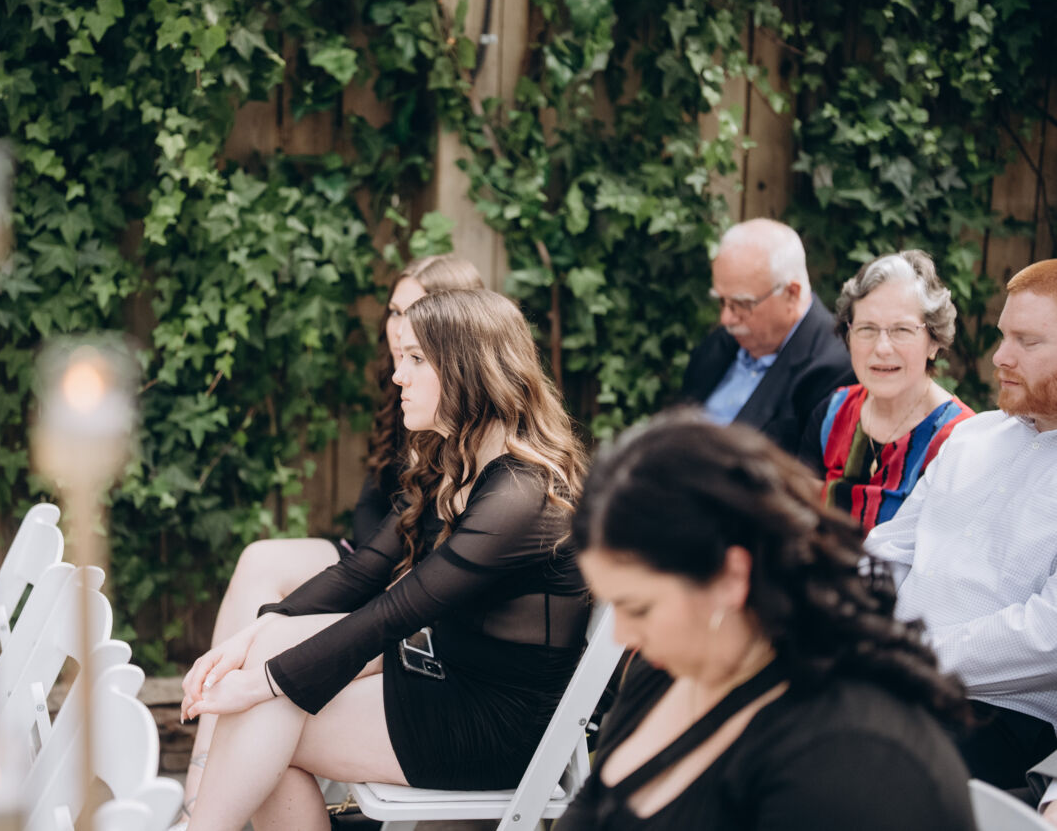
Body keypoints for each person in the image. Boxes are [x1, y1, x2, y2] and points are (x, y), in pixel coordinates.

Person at [178, 289, 590, 831]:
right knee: (267, 701)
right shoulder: (461, 462)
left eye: (417, 359)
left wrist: (263, 681)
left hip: (494, 722)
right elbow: (363, 571)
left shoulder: (520, 494)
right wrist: (252, 639)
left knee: (265, 714)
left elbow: (396, 612)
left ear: (468, 369)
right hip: (442, 676)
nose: (398, 376)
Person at [556, 412, 974, 831]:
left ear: (731, 576)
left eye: (640, 608)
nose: (623, 635)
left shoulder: (851, 760)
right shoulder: (666, 671)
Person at [175, 254, 483, 821]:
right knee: (262, 585)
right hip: (389, 567)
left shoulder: (504, 484)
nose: (399, 330)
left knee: (267, 691)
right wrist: (260, 634)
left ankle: (203, 808)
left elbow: (410, 596)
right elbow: (374, 514)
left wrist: (263, 665)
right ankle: (200, 791)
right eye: (394, 312)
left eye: (414, 315)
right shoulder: (418, 410)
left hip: (431, 635)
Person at [866, 257, 1057, 792]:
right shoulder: (973, 437)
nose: (1001, 357)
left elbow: (1046, 637)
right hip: (884, 675)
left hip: (995, 713)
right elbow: (888, 552)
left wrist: (910, 656)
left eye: (1027, 342)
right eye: (1003, 336)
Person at [799, 250, 973, 531]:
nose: (881, 348)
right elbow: (799, 519)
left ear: (933, 341)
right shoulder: (833, 413)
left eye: (902, 330)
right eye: (867, 328)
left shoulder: (958, 440)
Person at [680, 218, 853, 454]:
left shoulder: (836, 368)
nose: (726, 318)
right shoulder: (722, 343)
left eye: (742, 304)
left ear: (791, 293)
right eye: (721, 301)